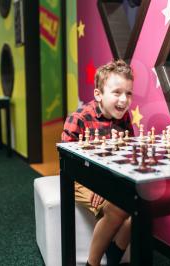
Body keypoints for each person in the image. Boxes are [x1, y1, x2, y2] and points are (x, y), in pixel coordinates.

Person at [62, 59, 134, 266]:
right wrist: (95, 184)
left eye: (128, 93)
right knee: (118, 209)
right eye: (117, 92)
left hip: (110, 177)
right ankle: (92, 263)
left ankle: (113, 255)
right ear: (98, 94)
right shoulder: (79, 118)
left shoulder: (124, 118)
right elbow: (67, 162)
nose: (124, 99)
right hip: (79, 178)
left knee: (138, 210)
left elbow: (127, 154)